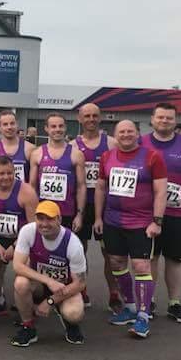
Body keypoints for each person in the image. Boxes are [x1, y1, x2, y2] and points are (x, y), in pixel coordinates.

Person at [94, 120, 167, 338]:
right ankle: (130, 307)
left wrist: (157, 221)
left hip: (141, 223)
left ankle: (144, 316)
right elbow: (100, 187)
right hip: (113, 221)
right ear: (115, 135)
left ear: (138, 134)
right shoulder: (107, 157)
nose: (126, 135)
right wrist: (98, 217)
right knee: (116, 262)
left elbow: (161, 191)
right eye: (121, 132)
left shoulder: (152, 157)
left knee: (141, 265)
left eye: (130, 131)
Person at [141, 103, 181, 324]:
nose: (164, 121)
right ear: (152, 119)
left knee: (175, 259)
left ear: (176, 121)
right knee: (151, 258)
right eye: (161, 117)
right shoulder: (141, 143)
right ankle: (150, 301)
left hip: (178, 213)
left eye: (169, 118)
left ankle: (174, 303)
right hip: (147, 213)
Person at [10, 201, 87, 346]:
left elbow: (80, 283)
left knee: (74, 314)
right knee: (20, 283)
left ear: (59, 220)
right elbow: (17, 265)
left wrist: (50, 301)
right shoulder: (28, 231)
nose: (44, 224)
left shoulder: (73, 243)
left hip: (64, 288)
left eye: (50, 219)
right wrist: (48, 281)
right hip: (40, 284)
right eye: (40, 218)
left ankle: (69, 321)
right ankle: (28, 326)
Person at [71, 103, 120, 311]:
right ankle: (81, 290)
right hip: (80, 205)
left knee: (110, 253)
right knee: (79, 251)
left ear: (100, 118)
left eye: (94, 116)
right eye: (87, 116)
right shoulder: (72, 145)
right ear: (80, 119)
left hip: (106, 206)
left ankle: (114, 294)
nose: (91, 119)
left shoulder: (111, 143)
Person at [0, 155, 38, 317]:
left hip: (24, 238)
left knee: (24, 274)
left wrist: (14, 246)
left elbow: (33, 227)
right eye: (2, 174)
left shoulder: (27, 192)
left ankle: (28, 305)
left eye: (10, 173)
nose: (6, 177)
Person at [29, 113, 86, 239]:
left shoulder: (76, 154)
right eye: (53, 126)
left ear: (65, 128)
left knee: (68, 250)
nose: (57, 129)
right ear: (46, 129)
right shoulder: (37, 153)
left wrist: (79, 214)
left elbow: (81, 187)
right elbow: (32, 186)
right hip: (43, 212)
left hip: (66, 213)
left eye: (60, 126)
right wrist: (31, 212)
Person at [0, 110, 34, 182]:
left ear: (17, 125)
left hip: (22, 192)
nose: (9, 127)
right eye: (5, 124)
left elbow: (33, 181)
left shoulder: (30, 148)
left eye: (12, 123)